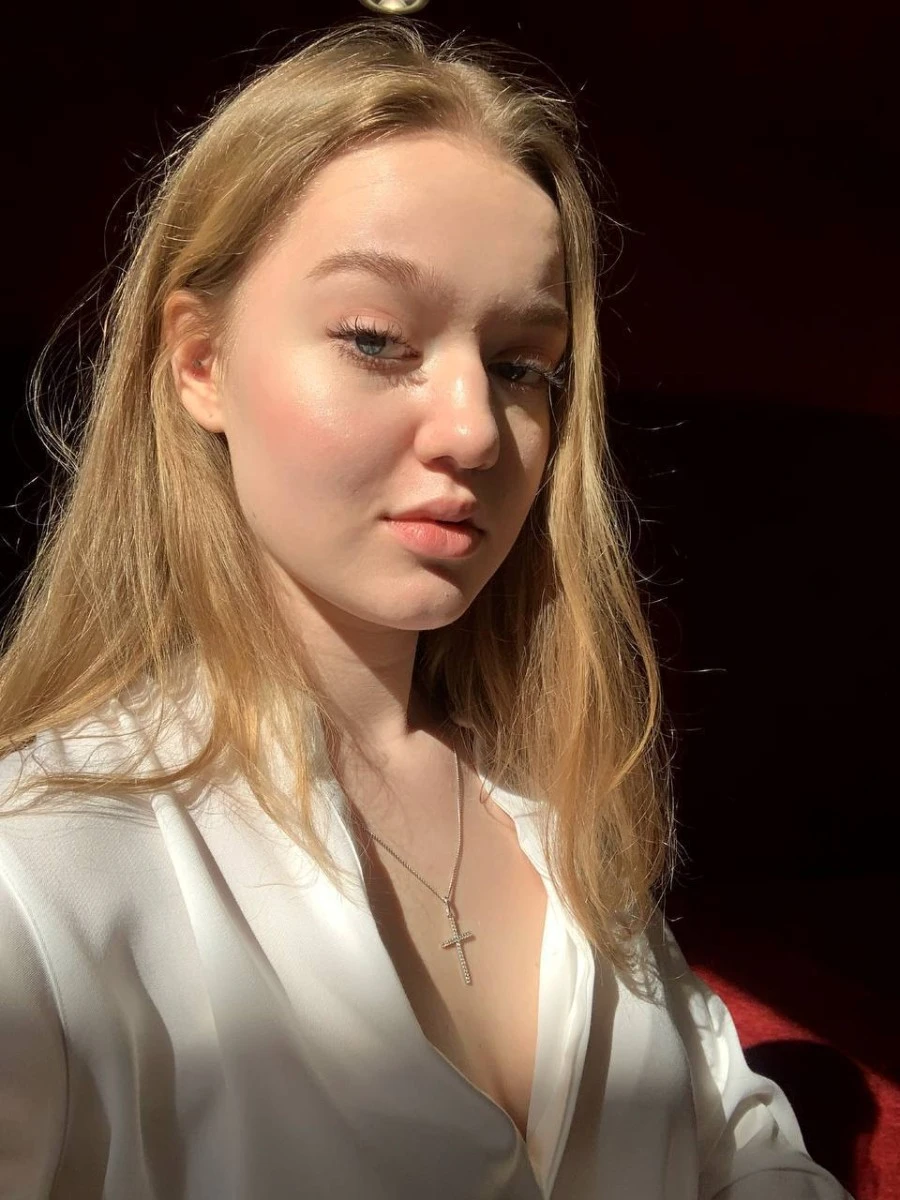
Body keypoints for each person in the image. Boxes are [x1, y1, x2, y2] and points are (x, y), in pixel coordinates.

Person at [0, 16, 853, 1200]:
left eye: (520, 365)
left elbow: (741, 1148)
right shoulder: (38, 870)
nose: (473, 431)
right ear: (200, 363)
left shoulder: (565, 801)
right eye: (375, 339)